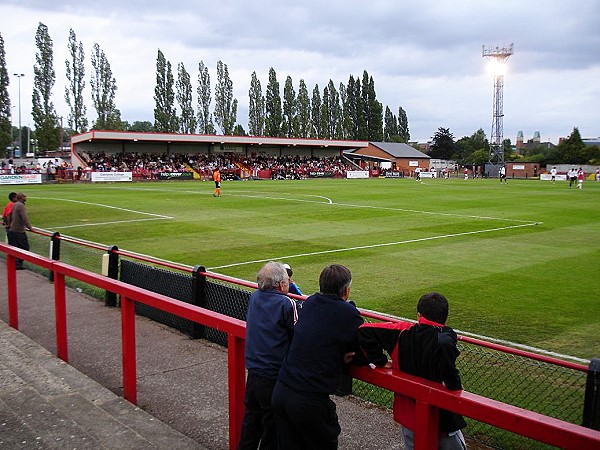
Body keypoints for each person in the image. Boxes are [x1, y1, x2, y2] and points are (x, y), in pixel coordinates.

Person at [355, 292, 467, 450]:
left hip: (410, 418)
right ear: (445, 317)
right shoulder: (446, 337)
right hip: (444, 421)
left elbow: (363, 330)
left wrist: (379, 360)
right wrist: (454, 384)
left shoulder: (402, 331)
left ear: (419, 315)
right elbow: (447, 362)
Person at [271, 264, 364, 450]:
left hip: (281, 391)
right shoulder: (349, 314)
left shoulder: (311, 302)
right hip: (308, 400)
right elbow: (361, 351)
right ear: (346, 291)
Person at [238, 262, 299, 450]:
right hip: (273, 376)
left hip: (254, 373)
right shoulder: (286, 303)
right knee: (271, 429)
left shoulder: (255, 297)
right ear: (281, 285)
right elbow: (298, 333)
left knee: (251, 424)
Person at [8, 192, 33, 270]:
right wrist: (30, 227)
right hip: (18, 231)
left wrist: (9, 224)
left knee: (15, 248)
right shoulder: (20, 205)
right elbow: (24, 218)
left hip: (12, 229)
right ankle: (18, 264)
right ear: (21, 197)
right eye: (24, 196)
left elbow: (9, 214)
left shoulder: (15, 204)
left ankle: (15, 263)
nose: (26, 197)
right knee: (24, 247)